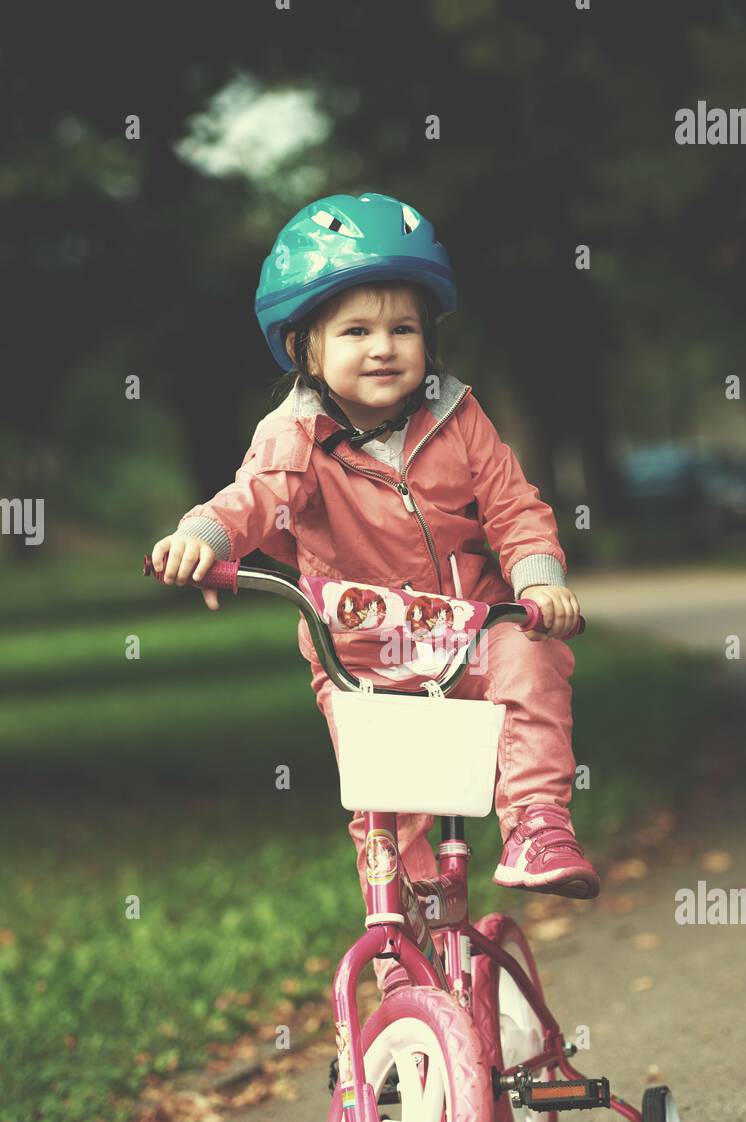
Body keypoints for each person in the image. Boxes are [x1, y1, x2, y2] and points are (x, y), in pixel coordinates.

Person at [150, 192, 600, 993]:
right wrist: (200, 539)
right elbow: (250, 500)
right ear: (305, 350)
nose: (384, 347)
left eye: (404, 328)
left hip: (472, 632)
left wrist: (538, 580)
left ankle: (537, 824)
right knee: (393, 814)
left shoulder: (459, 418)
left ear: (430, 338)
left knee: (533, 655)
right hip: (363, 655)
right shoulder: (293, 436)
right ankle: (405, 951)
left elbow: (513, 507)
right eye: (355, 331)